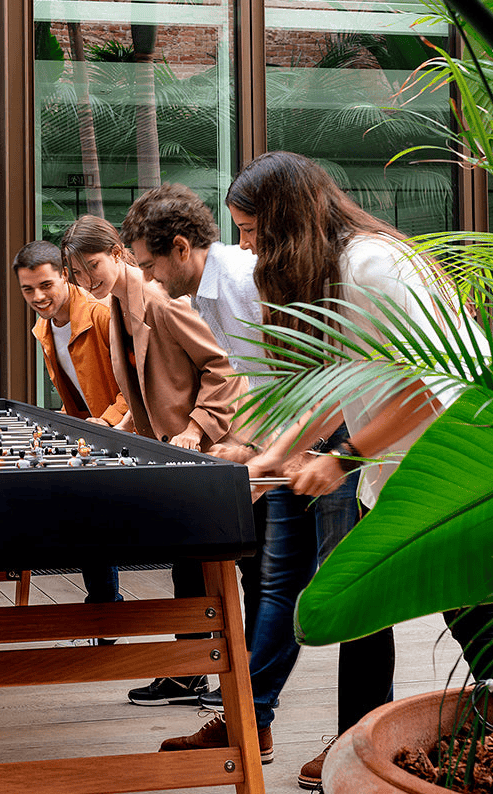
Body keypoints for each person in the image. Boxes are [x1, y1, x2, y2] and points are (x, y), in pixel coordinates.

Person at [169, 150, 493, 794]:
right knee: (430, 623)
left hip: (455, 470)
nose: (247, 246)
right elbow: (328, 388)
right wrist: (265, 460)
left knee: (389, 613)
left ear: (288, 219)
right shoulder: (333, 273)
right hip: (409, 472)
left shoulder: (373, 267)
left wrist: (342, 457)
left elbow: (424, 381)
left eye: (253, 230)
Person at [60, 215, 245, 704]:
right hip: (171, 457)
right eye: (77, 274)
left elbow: (226, 367)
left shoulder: (159, 297)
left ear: (118, 252)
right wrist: (121, 427)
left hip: (211, 452)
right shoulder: (118, 303)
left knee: (218, 572)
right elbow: (145, 387)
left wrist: (194, 429)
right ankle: (191, 673)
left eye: (92, 265)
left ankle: (238, 688)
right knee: (187, 567)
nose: (85, 281)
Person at [117, 183, 273, 708]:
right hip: (267, 447)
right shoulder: (199, 295)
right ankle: (249, 711)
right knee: (272, 583)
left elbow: (284, 377)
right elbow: (250, 377)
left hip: (320, 442)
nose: (146, 277)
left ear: (181, 248)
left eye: (150, 264)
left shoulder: (241, 284)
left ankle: (250, 710)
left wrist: (254, 452)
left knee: (274, 585)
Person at [13, 239, 125, 613]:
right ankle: (105, 608)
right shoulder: (44, 327)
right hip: (94, 434)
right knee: (83, 514)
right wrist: (63, 418)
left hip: (129, 433)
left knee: (94, 517)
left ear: (64, 275)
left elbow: (139, 386)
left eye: (46, 285)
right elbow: (81, 390)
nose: (38, 296)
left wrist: (106, 422)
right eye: (28, 289)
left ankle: (106, 608)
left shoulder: (102, 314)